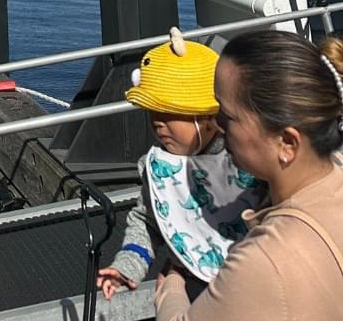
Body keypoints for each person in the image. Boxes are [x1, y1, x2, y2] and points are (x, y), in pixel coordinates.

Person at [155, 29, 343, 319]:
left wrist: (172, 284)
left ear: (287, 143)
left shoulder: (263, 260)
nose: (217, 127)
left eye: (226, 116)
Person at [98, 28, 263, 301]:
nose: (158, 122)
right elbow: (149, 221)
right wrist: (127, 266)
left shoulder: (246, 159)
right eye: (153, 112)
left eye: (170, 113)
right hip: (193, 284)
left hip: (252, 282)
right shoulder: (161, 168)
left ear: (209, 117)